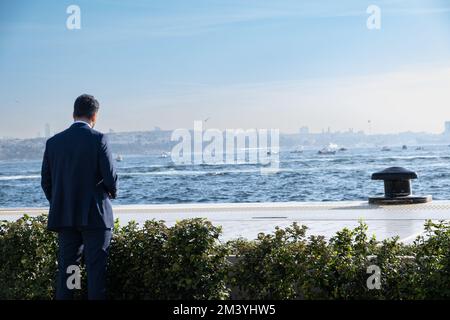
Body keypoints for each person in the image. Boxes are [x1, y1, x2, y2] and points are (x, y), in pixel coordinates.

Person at [41, 94, 118, 300]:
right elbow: (110, 178)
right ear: (95, 116)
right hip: (95, 217)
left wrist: (61, 202)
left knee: (70, 270)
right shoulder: (99, 139)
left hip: (66, 219)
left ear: (73, 114)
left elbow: (46, 183)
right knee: (95, 272)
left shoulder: (53, 143)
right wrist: (112, 192)